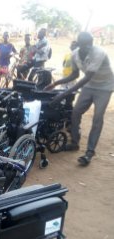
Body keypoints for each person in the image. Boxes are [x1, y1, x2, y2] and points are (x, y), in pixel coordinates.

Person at [44, 32, 114, 166]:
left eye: (90, 44)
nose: (89, 47)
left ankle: (89, 152)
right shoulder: (75, 54)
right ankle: (74, 143)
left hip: (105, 87)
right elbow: (74, 74)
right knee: (75, 112)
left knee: (97, 118)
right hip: (89, 85)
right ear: (79, 44)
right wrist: (55, 83)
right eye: (85, 45)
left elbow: (87, 77)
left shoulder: (99, 52)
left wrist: (63, 95)